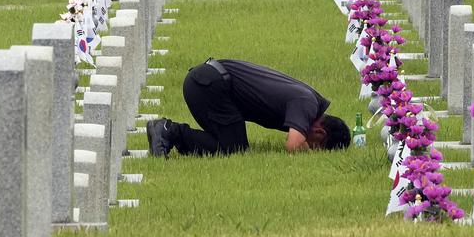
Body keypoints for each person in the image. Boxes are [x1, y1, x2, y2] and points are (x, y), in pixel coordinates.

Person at [146, 58, 350, 156]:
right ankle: (168, 131)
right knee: (233, 149)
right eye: (316, 147)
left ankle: (177, 138)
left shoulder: (310, 99)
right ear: (320, 132)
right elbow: (293, 145)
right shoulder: (307, 105)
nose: (310, 145)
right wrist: (309, 154)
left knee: (231, 144)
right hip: (209, 85)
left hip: (209, 82)